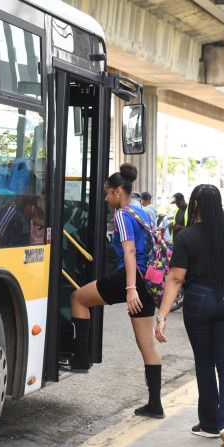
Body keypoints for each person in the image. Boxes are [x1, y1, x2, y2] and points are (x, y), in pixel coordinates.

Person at [155, 184, 224, 447]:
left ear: (194, 205)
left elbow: (175, 278)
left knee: (204, 363)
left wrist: (161, 316)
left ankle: (209, 424)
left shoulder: (186, 237)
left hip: (198, 301)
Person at [69, 163, 163, 417]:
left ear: (119, 192)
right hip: (148, 282)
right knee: (147, 343)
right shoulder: (145, 213)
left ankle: (80, 358)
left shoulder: (122, 215)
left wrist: (129, 288)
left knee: (78, 298)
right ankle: (155, 404)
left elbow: (130, 251)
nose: (107, 198)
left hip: (129, 279)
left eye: (108, 193)